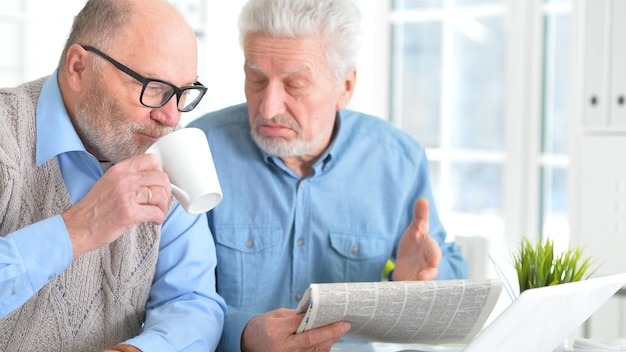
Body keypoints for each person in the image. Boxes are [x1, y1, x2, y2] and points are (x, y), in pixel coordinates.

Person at [187, 0, 469, 350]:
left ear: (345, 87)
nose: (269, 107)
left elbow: (454, 277)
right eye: (257, 79)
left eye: (294, 85)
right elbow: (172, 298)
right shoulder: (198, 152)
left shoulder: (397, 161)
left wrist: (422, 281)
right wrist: (244, 335)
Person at [0, 0, 226, 351]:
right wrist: (78, 230)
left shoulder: (169, 155)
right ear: (78, 67)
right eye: (154, 87)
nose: (170, 117)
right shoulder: (5, 135)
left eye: (182, 93)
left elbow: (192, 301)